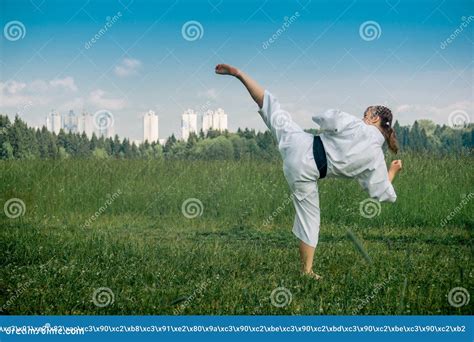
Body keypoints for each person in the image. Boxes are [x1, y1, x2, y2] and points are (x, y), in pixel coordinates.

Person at [215, 63, 402, 280]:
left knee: (273, 110)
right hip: (306, 174)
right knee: (310, 219)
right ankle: (306, 271)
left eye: (366, 115)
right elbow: (381, 191)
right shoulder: (376, 159)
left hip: (300, 145)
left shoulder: (357, 126)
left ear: (374, 119)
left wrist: (330, 124)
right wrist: (392, 170)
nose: (363, 118)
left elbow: (324, 118)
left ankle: (239, 74)